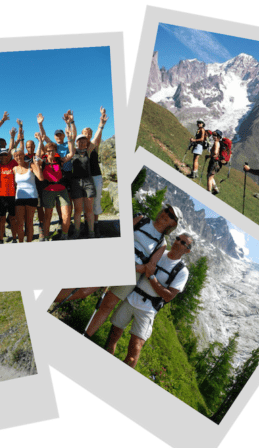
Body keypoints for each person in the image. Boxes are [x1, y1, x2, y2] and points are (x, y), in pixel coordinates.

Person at [54, 204, 181, 335]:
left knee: (107, 306)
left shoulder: (162, 243)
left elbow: (149, 267)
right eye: (167, 211)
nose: (166, 215)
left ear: (173, 224)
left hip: (134, 273)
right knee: (84, 290)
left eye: (171, 216)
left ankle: (86, 335)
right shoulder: (143, 220)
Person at [105, 234, 192, 368]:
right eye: (177, 239)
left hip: (148, 309)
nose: (178, 242)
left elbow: (169, 296)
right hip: (131, 297)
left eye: (183, 243)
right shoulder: (160, 253)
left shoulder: (182, 271)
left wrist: (152, 277)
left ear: (187, 250)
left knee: (135, 348)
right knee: (113, 334)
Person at [38, 130, 75, 241]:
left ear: (55, 151)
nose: (50, 153)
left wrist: (70, 138)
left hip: (62, 190)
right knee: (48, 216)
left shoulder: (60, 161)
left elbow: (71, 153)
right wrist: (40, 141)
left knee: (66, 215)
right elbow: (36, 158)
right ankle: (46, 236)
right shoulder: (42, 162)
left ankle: (64, 235)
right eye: (48, 151)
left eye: (53, 150)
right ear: (46, 151)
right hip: (48, 190)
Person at [13, 126, 45, 243]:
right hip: (21, 196)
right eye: (28, 147)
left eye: (31, 146)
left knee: (34, 216)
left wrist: (40, 141)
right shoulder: (17, 166)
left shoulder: (33, 161)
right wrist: (20, 132)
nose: (19, 157)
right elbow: (18, 150)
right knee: (20, 222)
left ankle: (40, 229)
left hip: (34, 191)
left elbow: (41, 177)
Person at [81, 106, 109, 236]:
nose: (87, 135)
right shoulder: (80, 149)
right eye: (85, 133)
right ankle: (87, 224)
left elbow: (98, 137)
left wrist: (101, 125)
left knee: (96, 200)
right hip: (85, 178)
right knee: (86, 202)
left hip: (96, 176)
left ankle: (95, 225)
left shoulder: (93, 146)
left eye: (89, 134)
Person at [206, 129, 224, 195]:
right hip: (217, 163)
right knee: (210, 176)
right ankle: (215, 189)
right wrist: (209, 156)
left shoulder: (216, 143)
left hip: (214, 162)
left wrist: (212, 155)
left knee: (209, 177)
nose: (214, 136)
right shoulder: (218, 143)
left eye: (215, 135)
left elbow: (215, 152)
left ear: (219, 136)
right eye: (213, 135)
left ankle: (208, 192)